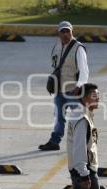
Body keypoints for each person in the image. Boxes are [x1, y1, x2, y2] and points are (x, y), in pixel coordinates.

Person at [39, 21, 89, 151]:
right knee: (58, 117)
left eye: (68, 31)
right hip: (59, 90)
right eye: (63, 31)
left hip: (73, 89)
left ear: (72, 32)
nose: (66, 34)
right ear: (59, 33)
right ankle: (54, 142)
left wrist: (79, 85)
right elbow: (55, 66)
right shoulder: (56, 47)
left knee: (79, 118)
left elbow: (84, 71)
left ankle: (84, 142)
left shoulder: (78, 48)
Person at [67, 83, 102, 189]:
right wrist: (84, 175)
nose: (98, 98)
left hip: (78, 169)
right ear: (84, 98)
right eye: (94, 95)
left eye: (98, 95)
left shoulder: (81, 114)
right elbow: (79, 147)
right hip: (85, 170)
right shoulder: (82, 119)